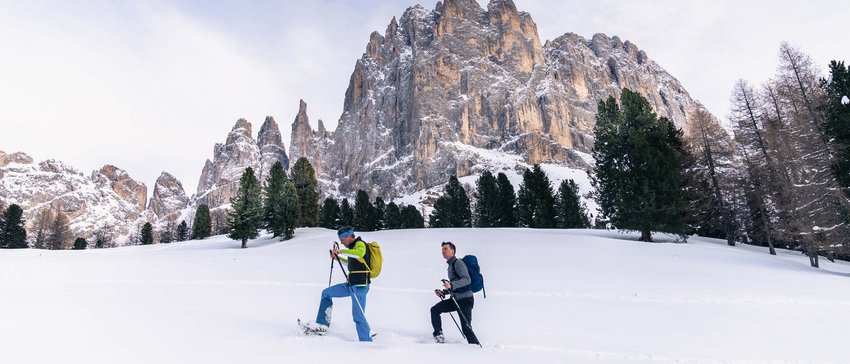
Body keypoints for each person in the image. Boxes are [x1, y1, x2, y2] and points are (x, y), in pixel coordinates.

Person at [304, 226, 373, 342]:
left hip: (360, 286)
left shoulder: (360, 244)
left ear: (349, 236)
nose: (341, 242)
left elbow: (359, 254)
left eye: (342, 239)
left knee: (358, 316)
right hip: (350, 285)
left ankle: (366, 342)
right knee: (326, 293)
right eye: (340, 240)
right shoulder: (352, 249)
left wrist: (341, 251)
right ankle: (322, 325)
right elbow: (350, 263)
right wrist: (337, 258)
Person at [430, 241, 480, 345]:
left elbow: (467, 280)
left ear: (452, 251)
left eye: (445, 249)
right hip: (456, 299)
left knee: (466, 328)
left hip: (465, 300)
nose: (443, 251)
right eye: (442, 249)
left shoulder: (458, 263)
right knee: (435, 310)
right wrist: (443, 292)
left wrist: (451, 285)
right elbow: (455, 284)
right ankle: (438, 335)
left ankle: (475, 348)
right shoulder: (450, 265)